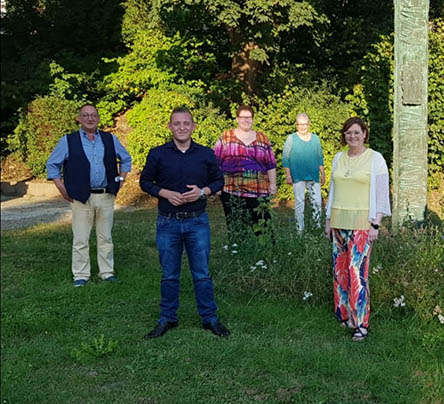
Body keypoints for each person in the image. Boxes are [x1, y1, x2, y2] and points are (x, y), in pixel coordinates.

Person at [140, 107, 230, 339]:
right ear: (170, 127)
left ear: (193, 127)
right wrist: (164, 193)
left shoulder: (205, 154)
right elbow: (145, 182)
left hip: (197, 222)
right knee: (169, 274)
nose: (181, 127)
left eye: (186, 123)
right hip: (168, 222)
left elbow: (218, 180)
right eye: (177, 123)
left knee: (201, 273)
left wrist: (203, 191)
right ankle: (167, 318)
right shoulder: (158, 153)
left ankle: (209, 318)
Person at [45, 103, 132, 287]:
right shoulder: (68, 140)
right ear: (79, 118)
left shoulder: (109, 139)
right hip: (80, 197)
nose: (90, 118)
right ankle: (81, 275)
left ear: (98, 118)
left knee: (106, 238)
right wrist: (61, 188)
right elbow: (52, 165)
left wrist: (120, 181)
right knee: (81, 239)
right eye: (85, 115)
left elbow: (126, 158)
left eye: (93, 115)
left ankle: (107, 272)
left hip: (105, 195)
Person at [324, 117, 390, 342]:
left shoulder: (375, 159)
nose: (352, 137)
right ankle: (343, 315)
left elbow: (382, 193)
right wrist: (328, 218)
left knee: (357, 272)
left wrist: (376, 223)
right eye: (348, 133)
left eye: (356, 133)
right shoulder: (338, 158)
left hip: (363, 223)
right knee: (339, 270)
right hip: (339, 221)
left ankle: (361, 323)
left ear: (364, 134)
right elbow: (333, 188)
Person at [213, 105, 277, 235]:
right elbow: (215, 162)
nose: (246, 120)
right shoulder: (226, 137)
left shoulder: (262, 138)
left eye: (249, 117)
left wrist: (273, 183)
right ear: (237, 119)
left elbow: (270, 163)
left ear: (253, 119)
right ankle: (238, 253)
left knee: (264, 228)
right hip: (231, 190)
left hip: (258, 191)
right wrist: (216, 185)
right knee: (236, 228)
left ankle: (265, 254)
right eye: (242, 117)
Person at [283, 113, 325, 231]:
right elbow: (285, 158)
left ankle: (316, 228)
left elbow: (319, 157)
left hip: (313, 176)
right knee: (299, 203)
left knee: (317, 203)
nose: (302, 127)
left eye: (304, 124)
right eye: (300, 124)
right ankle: (299, 230)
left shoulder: (316, 139)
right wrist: (288, 175)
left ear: (308, 124)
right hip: (297, 176)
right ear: (296, 125)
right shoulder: (291, 138)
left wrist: (322, 173)